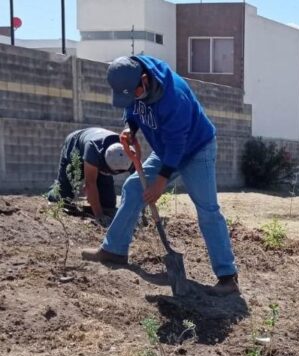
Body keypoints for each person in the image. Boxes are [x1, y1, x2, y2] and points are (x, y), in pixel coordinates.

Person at [81, 55, 238, 295]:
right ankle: (114, 249)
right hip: (167, 148)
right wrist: (129, 130)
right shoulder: (133, 83)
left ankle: (228, 277)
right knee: (133, 188)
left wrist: (161, 183)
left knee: (207, 209)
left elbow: (178, 144)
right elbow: (132, 110)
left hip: (197, 149)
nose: (130, 98)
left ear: (144, 80)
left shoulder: (174, 97)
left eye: (133, 93)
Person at [46, 128, 134, 226]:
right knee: (63, 197)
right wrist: (99, 216)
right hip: (76, 147)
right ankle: (52, 193)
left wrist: (140, 213)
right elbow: (90, 183)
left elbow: (139, 183)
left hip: (98, 156)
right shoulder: (93, 148)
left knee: (108, 204)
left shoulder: (128, 154)